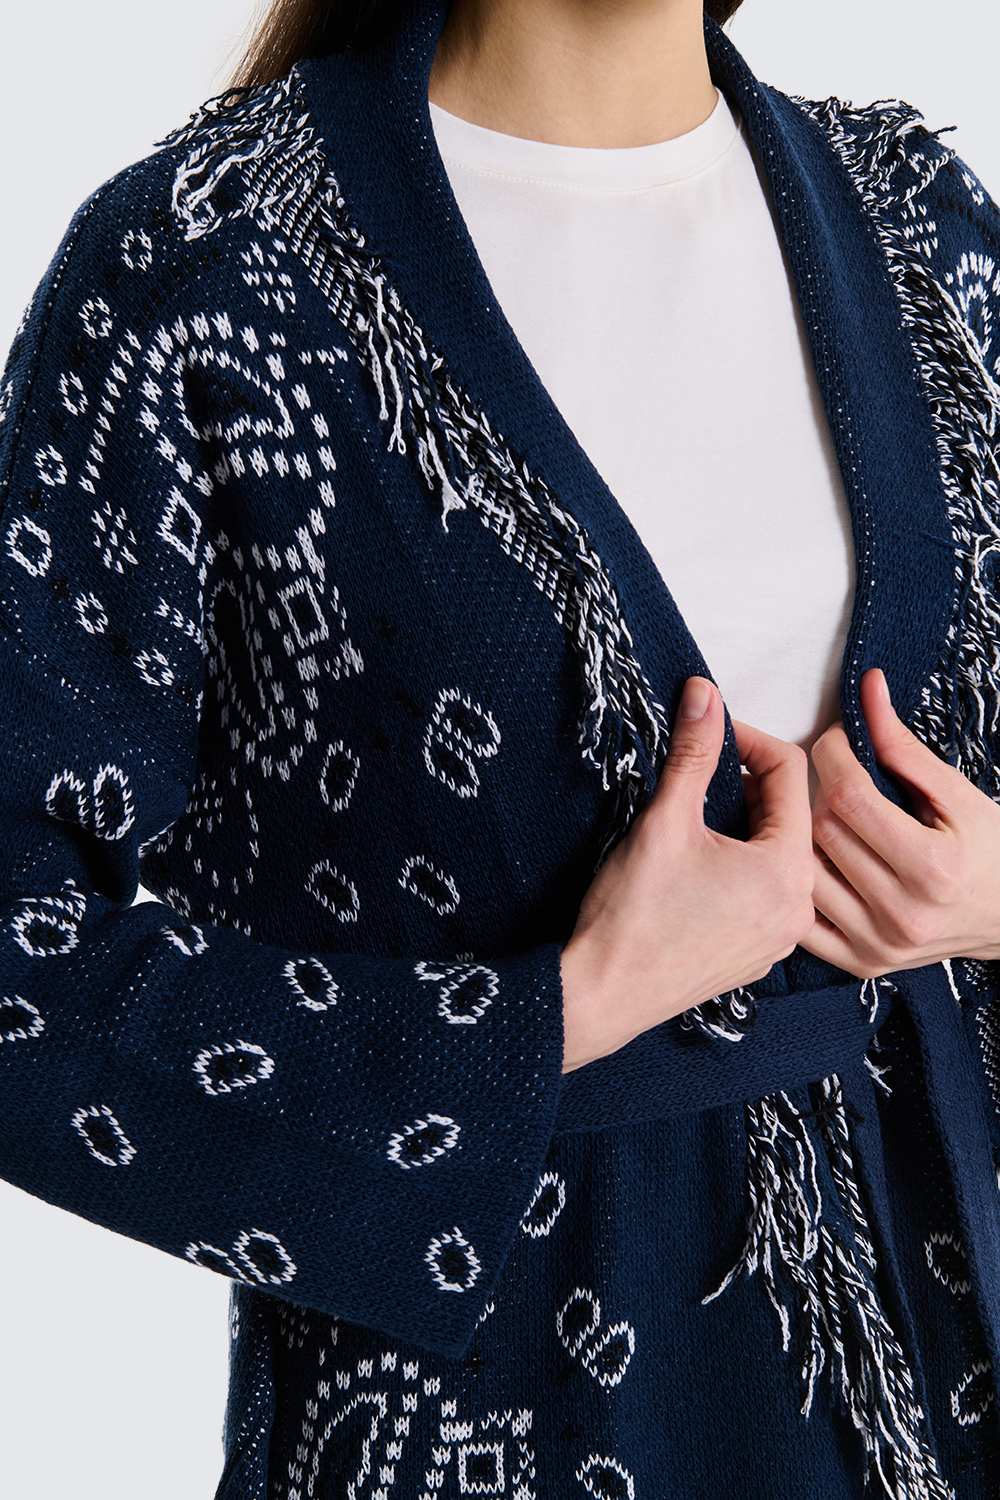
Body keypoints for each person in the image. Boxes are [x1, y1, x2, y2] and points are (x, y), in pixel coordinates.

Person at [3, 0, 1000, 1493]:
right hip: (492, 1419)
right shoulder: (201, 264)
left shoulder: (924, 226)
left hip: (946, 1371)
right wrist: (557, 1011)